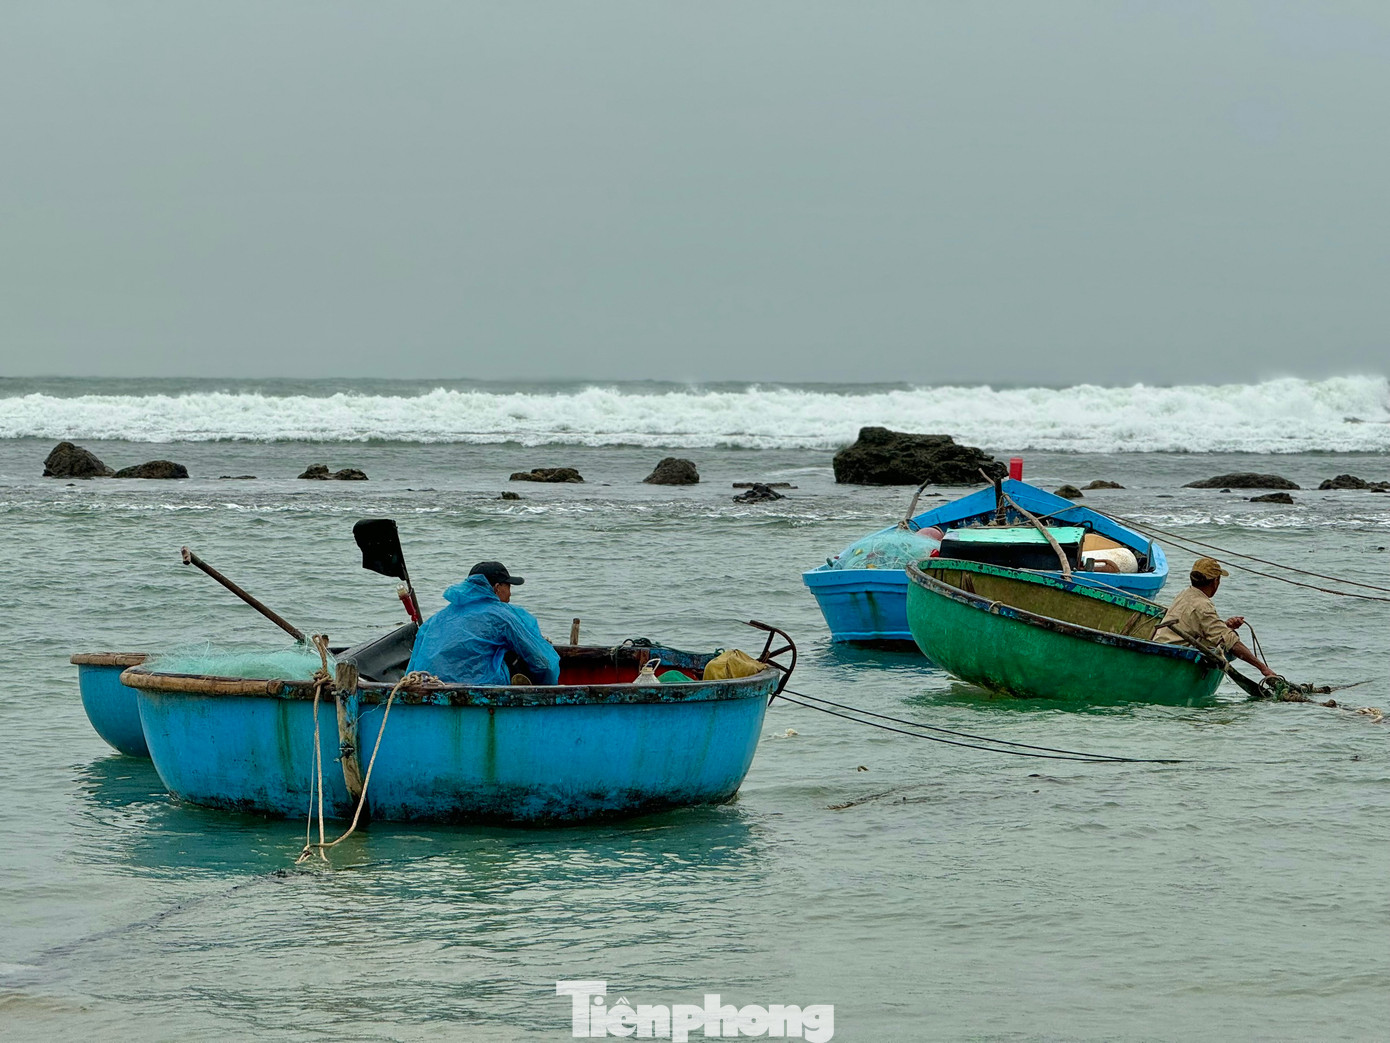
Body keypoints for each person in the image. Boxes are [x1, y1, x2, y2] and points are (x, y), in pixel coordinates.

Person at [406, 561, 560, 685]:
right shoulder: (503, 616)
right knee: (517, 653)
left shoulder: (437, 618)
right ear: (497, 588)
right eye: (508, 586)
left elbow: (413, 666)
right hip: (483, 684)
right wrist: (548, 686)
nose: (510, 592)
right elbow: (543, 663)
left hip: (430, 685)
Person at [1153, 556, 1276, 678]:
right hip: (1174, 657)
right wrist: (1263, 668)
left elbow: (1198, 624)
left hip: (1160, 645)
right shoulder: (1203, 605)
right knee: (1226, 641)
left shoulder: (1185, 593)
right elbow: (1231, 642)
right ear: (1215, 581)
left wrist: (1225, 625)